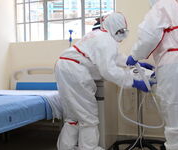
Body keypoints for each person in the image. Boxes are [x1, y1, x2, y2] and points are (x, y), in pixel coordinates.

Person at [55, 12, 153, 150]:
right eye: (120, 31)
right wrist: (133, 81)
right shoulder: (106, 39)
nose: (122, 36)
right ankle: (89, 148)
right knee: (88, 118)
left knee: (73, 117)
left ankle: (65, 147)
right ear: (114, 28)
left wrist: (135, 64)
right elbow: (109, 70)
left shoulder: (98, 35)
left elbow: (115, 57)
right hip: (75, 71)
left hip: (63, 66)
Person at [126, 0, 178, 150]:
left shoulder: (161, 6)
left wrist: (135, 55)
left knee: (176, 122)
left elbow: (148, 35)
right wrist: (162, 69)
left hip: (177, 65)